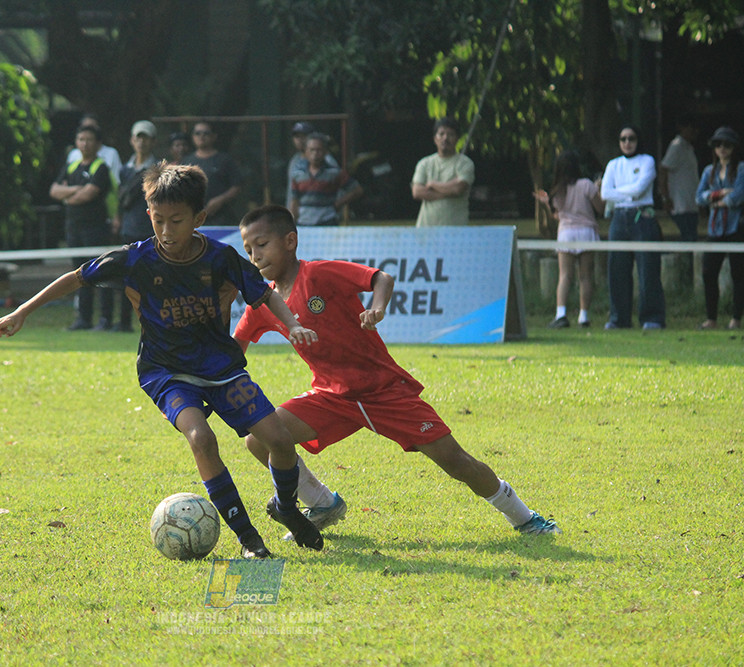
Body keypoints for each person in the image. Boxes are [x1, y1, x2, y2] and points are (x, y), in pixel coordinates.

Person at [0, 164, 324, 559]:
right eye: (158, 220)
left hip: (220, 368)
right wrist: (22, 313)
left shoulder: (221, 258)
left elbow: (263, 294)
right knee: (201, 438)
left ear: (199, 218)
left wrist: (292, 324)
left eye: (177, 221)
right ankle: (249, 538)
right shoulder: (135, 259)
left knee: (280, 442)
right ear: (149, 214)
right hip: (166, 372)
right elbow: (76, 277)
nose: (166, 232)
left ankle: (286, 506)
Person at [233, 204, 561, 538]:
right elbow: (234, 348)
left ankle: (525, 518)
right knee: (261, 438)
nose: (255, 256)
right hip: (330, 396)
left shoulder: (318, 274)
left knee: (455, 460)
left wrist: (376, 308)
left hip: (384, 391)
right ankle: (322, 503)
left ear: (290, 241)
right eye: (248, 250)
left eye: (261, 245)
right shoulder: (264, 302)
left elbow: (380, 278)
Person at [49, 124, 116, 331]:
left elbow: (88, 194)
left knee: (101, 274)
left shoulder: (101, 167)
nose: (84, 144)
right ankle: (83, 319)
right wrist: (74, 190)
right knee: (78, 275)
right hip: (74, 228)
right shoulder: (71, 167)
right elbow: (54, 190)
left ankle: (105, 319)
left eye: (89, 140)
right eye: (81, 139)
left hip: (95, 229)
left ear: (98, 144)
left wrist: (68, 196)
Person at [601, 124, 665, 330]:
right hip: (619, 218)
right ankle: (619, 318)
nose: (627, 143)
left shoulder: (647, 161)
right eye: (623, 139)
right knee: (617, 270)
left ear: (638, 140)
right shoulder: (613, 164)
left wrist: (619, 191)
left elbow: (640, 190)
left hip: (642, 217)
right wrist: (628, 193)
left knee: (648, 270)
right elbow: (605, 194)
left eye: (632, 138)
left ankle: (652, 318)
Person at [534, 150, 605, 328]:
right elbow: (600, 209)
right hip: (586, 232)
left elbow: (558, 216)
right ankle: (583, 316)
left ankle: (561, 314)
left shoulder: (558, 190)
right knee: (585, 276)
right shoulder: (586, 185)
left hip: (566, 233)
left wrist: (545, 204)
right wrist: (599, 189)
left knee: (564, 275)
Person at [695, 126, 744, 331]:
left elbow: (738, 197)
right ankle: (711, 318)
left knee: (738, 274)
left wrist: (719, 200)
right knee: (708, 272)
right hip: (715, 229)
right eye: (718, 145)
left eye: (726, 144)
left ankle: (736, 318)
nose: (722, 148)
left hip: (736, 227)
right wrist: (719, 194)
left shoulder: (741, 168)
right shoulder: (709, 171)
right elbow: (699, 197)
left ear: (733, 148)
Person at [114, 120, 160, 332]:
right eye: (138, 137)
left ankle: (155, 322)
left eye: (146, 137)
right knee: (127, 280)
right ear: (132, 141)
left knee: (153, 281)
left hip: (150, 231)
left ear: (153, 141)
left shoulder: (158, 170)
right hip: (128, 230)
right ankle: (123, 323)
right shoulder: (124, 170)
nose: (141, 142)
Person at [411, 117, 475, 227]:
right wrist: (448, 190)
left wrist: (432, 184)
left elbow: (458, 189)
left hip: (455, 229)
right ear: (435, 139)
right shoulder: (424, 163)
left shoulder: (465, 163)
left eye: (450, 134)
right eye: (441, 134)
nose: (445, 138)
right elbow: (417, 192)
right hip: (426, 230)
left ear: (457, 139)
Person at [288, 132, 363, 226]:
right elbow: (294, 200)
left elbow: (357, 190)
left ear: (325, 152)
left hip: (327, 222)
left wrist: (337, 205)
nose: (315, 154)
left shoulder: (334, 173)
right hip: (304, 223)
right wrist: (292, 222)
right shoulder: (298, 174)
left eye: (318, 150)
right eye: (312, 150)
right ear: (306, 152)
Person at [181, 121, 244, 227]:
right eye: (197, 133)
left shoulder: (225, 160)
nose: (201, 136)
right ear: (192, 137)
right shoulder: (186, 162)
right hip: (193, 219)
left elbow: (237, 186)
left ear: (214, 136)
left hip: (222, 219)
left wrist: (220, 200)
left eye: (206, 133)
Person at [658, 114, 701, 242]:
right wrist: (665, 198)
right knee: (687, 240)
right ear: (682, 128)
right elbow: (663, 170)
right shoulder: (677, 146)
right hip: (680, 206)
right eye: (691, 128)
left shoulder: (689, 147)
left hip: (691, 204)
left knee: (692, 240)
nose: (695, 132)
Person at [286, 121, 337, 209]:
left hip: (322, 216)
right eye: (297, 136)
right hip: (300, 217)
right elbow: (292, 193)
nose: (300, 140)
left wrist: (334, 209)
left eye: (303, 136)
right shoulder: (294, 160)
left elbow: (339, 188)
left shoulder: (326, 160)